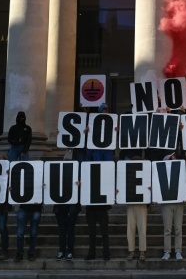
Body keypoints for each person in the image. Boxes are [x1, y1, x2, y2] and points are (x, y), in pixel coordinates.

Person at [84, 103, 114, 261]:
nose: (105, 112)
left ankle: (106, 253)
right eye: (103, 110)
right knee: (92, 231)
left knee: (104, 231)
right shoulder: (93, 131)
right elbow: (88, 157)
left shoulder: (111, 128)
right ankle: (92, 253)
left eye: (107, 110)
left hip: (102, 203)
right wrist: (87, 133)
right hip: (92, 203)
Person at [160, 151, 185, 261]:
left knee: (178, 228)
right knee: (167, 229)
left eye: (174, 158)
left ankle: (178, 251)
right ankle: (167, 251)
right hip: (166, 203)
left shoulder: (180, 170)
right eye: (171, 158)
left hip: (179, 202)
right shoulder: (162, 172)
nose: (173, 159)